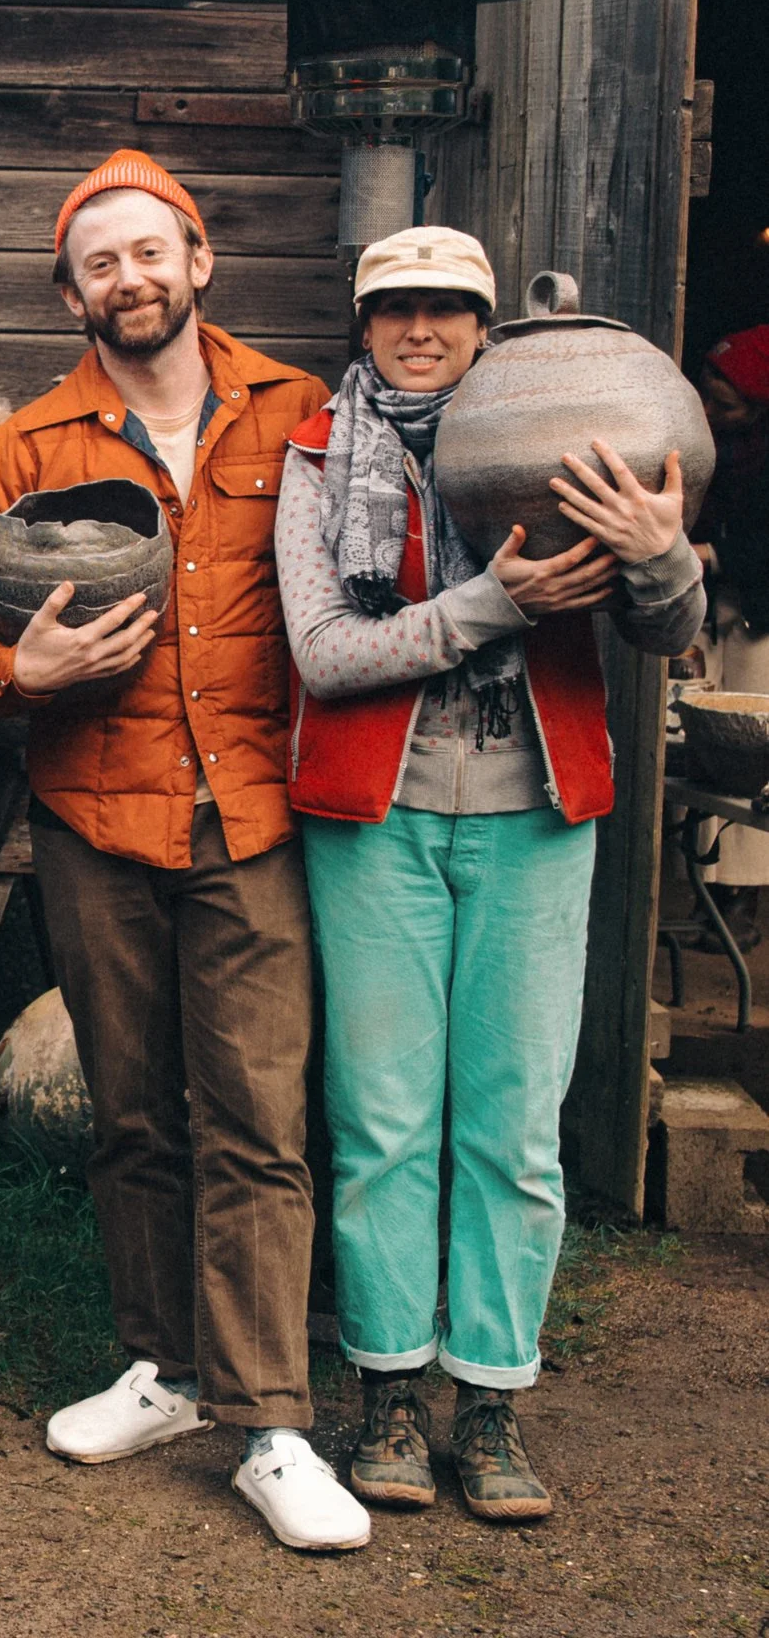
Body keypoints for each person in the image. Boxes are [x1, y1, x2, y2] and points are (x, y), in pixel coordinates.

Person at [0, 150, 366, 1551]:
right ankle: (163, 1371)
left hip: (254, 816)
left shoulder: (303, 412)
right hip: (94, 819)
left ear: (199, 259)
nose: (131, 278)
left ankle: (271, 1422)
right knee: (131, 1115)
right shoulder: (33, 441)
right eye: (100, 261)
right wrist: (20, 667)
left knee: (259, 1119)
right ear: (70, 291)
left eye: (151, 250)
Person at [278, 225, 702, 1523]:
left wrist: (660, 553)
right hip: (378, 819)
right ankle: (390, 1393)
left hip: (537, 815)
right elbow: (324, 652)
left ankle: (494, 1400)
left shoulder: (567, 443)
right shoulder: (316, 457)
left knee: (515, 1127)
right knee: (384, 1120)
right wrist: (492, 606)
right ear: (363, 324)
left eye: (449, 310)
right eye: (394, 308)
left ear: (486, 328)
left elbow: (668, 631)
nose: (421, 330)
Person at [688, 325, 769, 926]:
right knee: (705, 747)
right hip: (718, 612)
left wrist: (712, 554)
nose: (712, 411)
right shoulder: (716, 449)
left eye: (726, 400)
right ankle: (705, 883)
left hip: (758, 620)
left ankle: (740, 891)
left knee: (751, 752)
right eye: (707, 396)